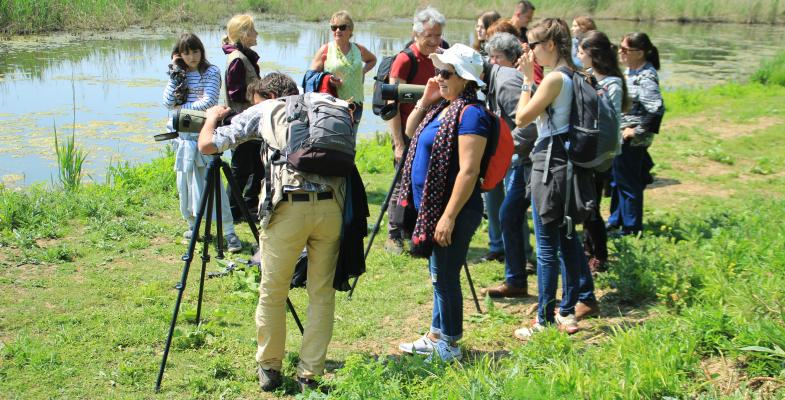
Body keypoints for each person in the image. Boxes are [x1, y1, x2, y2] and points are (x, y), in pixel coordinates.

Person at [197, 72, 346, 394]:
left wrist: (211, 117)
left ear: (267, 94)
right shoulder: (329, 102)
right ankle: (310, 373)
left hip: (288, 207)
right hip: (332, 207)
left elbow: (209, 145)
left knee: (273, 291)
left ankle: (270, 367)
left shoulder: (266, 108)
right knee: (321, 295)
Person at [397, 44, 490, 362]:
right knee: (439, 273)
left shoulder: (472, 114)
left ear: (465, 78)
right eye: (438, 71)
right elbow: (410, 132)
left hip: (456, 210)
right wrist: (425, 100)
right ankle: (436, 335)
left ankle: (450, 343)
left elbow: (469, 170)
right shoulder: (443, 107)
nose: (439, 77)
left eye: (446, 73)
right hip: (433, 209)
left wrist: (448, 217)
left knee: (446, 276)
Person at [512, 18, 588, 337]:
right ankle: (567, 312)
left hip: (550, 163)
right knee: (567, 238)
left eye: (533, 46)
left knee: (546, 246)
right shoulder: (575, 73)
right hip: (568, 164)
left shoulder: (554, 78)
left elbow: (521, 119)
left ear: (551, 45)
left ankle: (543, 321)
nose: (530, 53)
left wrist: (528, 81)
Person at [162, 33, 242, 253]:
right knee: (185, 186)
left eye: (195, 51)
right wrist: (175, 73)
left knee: (211, 185)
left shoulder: (211, 71)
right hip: (183, 140)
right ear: (179, 55)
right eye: (186, 53)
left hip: (204, 136)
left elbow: (209, 101)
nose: (192, 57)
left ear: (202, 51)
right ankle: (193, 226)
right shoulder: (179, 74)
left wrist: (181, 112)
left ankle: (229, 233)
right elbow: (168, 102)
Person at [571, 29, 631, 318]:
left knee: (592, 206)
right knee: (586, 203)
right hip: (588, 151)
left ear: (593, 54)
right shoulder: (586, 77)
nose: (578, 55)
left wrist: (591, 85)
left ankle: (600, 255)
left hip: (601, 155)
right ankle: (588, 250)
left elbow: (609, 113)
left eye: (582, 51)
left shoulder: (613, 82)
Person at [385, 6, 446, 254]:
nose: (434, 41)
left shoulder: (443, 55)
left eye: (438, 35)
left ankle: (417, 232)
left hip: (433, 132)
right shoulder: (404, 60)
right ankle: (393, 235)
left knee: (426, 182)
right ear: (416, 33)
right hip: (408, 132)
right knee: (401, 182)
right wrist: (399, 142)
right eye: (429, 35)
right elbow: (392, 106)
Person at [481, 32, 536, 298]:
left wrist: (499, 152)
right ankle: (516, 280)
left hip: (534, 160)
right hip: (523, 158)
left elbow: (527, 127)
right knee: (509, 215)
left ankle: (574, 295)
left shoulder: (506, 82)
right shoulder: (495, 80)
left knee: (539, 222)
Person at [607, 32, 664, 236]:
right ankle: (616, 219)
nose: (621, 53)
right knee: (616, 179)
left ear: (639, 53)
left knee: (629, 182)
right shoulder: (631, 71)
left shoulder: (645, 77)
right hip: (621, 136)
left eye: (625, 50)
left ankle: (631, 228)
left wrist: (635, 131)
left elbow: (656, 109)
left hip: (632, 140)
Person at [221, 14, 264, 222]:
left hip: (251, 119)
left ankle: (247, 207)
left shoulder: (243, 56)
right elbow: (235, 93)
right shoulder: (237, 59)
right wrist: (259, 96)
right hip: (243, 120)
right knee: (240, 169)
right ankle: (232, 210)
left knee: (257, 165)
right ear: (244, 34)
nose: (257, 34)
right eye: (254, 30)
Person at [310, 10, 377, 130]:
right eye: (334, 27)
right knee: (332, 140)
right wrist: (328, 80)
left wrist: (362, 71)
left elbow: (372, 60)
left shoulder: (358, 49)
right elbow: (311, 76)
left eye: (342, 27)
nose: (337, 31)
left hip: (355, 104)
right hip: (331, 104)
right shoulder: (325, 50)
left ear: (350, 30)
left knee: (350, 143)